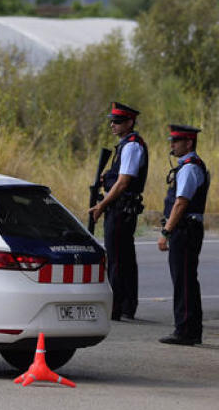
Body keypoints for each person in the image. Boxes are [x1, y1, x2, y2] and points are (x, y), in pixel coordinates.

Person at [88, 102, 147, 321]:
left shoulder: (131, 146)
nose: (113, 125)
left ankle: (117, 306)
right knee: (124, 257)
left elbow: (123, 183)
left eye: (118, 121)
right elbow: (118, 178)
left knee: (117, 259)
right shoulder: (126, 144)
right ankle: (126, 305)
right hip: (122, 207)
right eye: (112, 121)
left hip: (121, 208)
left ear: (130, 122)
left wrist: (102, 206)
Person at [158, 124, 210, 346]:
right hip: (188, 229)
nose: (172, 145)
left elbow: (181, 203)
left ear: (188, 143)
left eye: (176, 141)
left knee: (184, 280)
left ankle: (186, 330)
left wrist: (166, 232)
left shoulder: (189, 168)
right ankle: (188, 328)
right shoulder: (188, 166)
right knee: (185, 279)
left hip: (185, 230)